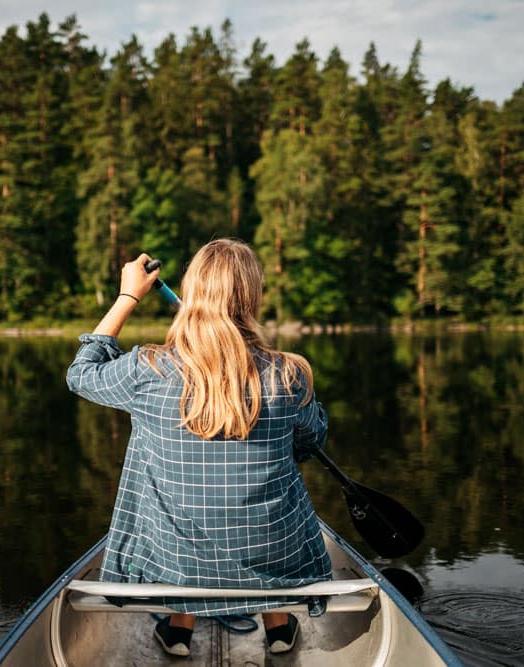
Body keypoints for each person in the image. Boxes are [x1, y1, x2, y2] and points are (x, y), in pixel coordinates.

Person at [66, 239, 331, 657]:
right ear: (252, 298)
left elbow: (81, 373)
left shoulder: (147, 370)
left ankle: (177, 632)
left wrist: (127, 296)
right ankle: (278, 628)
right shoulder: (290, 374)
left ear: (192, 294)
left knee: (183, 503)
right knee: (264, 501)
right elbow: (311, 441)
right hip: (274, 555)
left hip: (178, 563)